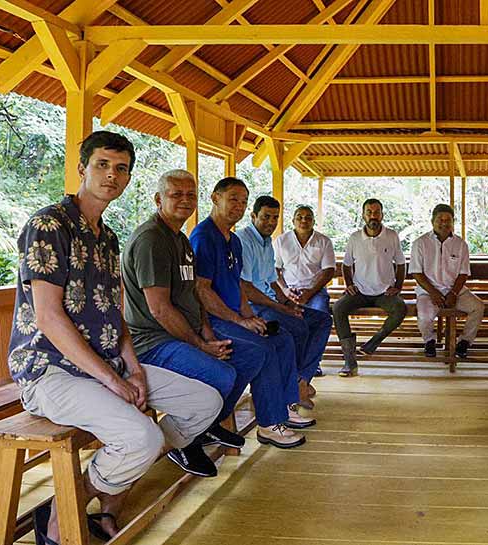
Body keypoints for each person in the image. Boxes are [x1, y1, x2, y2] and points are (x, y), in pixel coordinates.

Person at [9, 132, 222, 544]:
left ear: (128, 178)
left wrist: (134, 370)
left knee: (204, 403)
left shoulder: (107, 237)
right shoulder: (48, 225)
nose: (111, 175)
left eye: (121, 168)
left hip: (105, 363)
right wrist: (114, 381)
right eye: (103, 165)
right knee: (141, 436)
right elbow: (50, 319)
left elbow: (114, 314)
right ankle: (63, 518)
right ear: (82, 168)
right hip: (49, 370)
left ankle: (78, 496)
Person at [122, 169, 256, 458]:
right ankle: (181, 443)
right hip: (152, 343)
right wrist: (200, 346)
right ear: (159, 199)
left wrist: (207, 335)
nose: (185, 200)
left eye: (190, 195)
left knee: (243, 358)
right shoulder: (151, 240)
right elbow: (159, 309)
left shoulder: (180, 240)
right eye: (176, 194)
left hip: (181, 336)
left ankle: (201, 427)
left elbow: (192, 294)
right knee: (220, 375)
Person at [190, 177, 312, 449]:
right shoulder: (204, 236)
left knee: (282, 339)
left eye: (244, 201)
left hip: (234, 315)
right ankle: (268, 424)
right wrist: (240, 320)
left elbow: (238, 286)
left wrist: (251, 317)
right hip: (213, 320)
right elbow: (201, 290)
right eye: (233, 199)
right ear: (215, 197)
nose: (239, 206)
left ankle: (284, 408)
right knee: (264, 349)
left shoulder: (232, 241)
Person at [237, 196, 332, 408]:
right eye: (265, 217)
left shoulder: (267, 242)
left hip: (273, 301)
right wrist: (281, 307)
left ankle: (301, 380)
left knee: (322, 320)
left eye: (274, 217)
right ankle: (292, 387)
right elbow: (246, 288)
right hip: (252, 307)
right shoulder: (244, 240)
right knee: (297, 327)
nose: (271, 222)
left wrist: (290, 305)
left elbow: (271, 281)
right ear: (253, 216)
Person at [332, 198, 407, 377]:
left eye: (376, 212)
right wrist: (349, 284)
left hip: (384, 292)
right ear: (363, 215)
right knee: (338, 308)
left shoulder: (392, 236)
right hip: (360, 291)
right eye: (369, 212)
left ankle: (373, 343)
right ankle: (350, 362)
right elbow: (346, 264)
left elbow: (401, 263)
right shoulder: (355, 238)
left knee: (400, 308)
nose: (373, 216)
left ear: (382, 214)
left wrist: (398, 286)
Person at [410, 204, 484, 358]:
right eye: (440, 219)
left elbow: (463, 273)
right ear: (432, 221)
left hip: (455, 291)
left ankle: (464, 342)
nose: (444, 223)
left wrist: (454, 293)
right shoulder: (420, 243)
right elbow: (416, 273)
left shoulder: (461, 244)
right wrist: (434, 293)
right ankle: (429, 341)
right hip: (428, 291)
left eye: (448, 220)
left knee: (478, 307)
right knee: (424, 315)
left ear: (453, 222)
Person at [274, 205, 336, 314]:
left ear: (313, 222)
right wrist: (284, 289)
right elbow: (275, 269)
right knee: (283, 317)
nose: (304, 220)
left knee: (320, 314)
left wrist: (310, 292)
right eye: (299, 217)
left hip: (316, 291)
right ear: (293, 221)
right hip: (288, 290)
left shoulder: (324, 241)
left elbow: (329, 270)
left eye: (308, 218)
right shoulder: (281, 241)